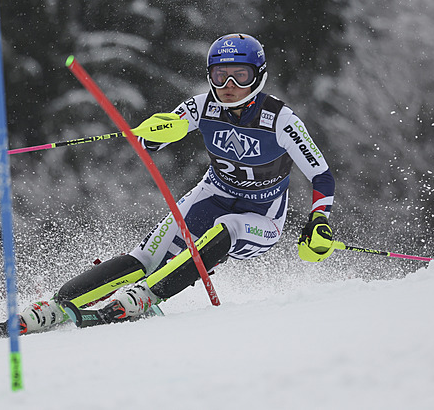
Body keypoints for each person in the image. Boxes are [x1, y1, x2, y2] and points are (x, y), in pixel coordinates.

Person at [18, 33, 336, 333]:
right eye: (219, 75)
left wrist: (319, 218)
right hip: (212, 196)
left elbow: (320, 174)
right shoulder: (202, 106)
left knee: (228, 227)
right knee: (144, 258)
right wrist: (153, 134)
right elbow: (153, 139)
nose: (228, 85)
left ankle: (147, 295)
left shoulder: (281, 119)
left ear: (258, 76)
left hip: (261, 218)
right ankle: (57, 305)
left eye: (240, 76)